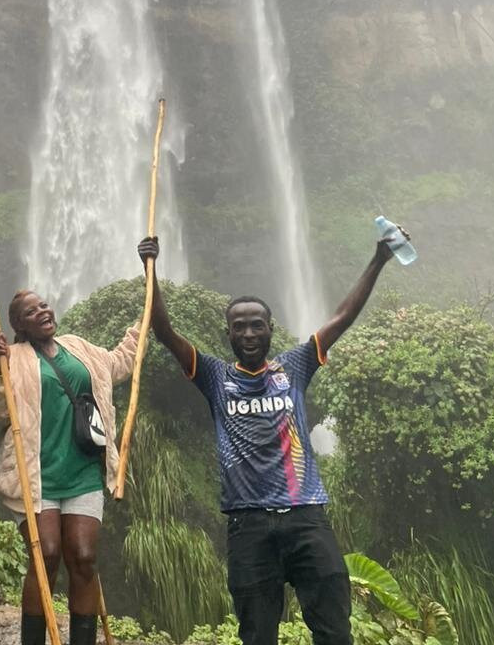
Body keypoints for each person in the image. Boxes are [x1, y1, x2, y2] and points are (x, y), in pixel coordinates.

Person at [137, 231, 408, 645]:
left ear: (270, 330)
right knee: (257, 635)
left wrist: (378, 259)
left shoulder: (294, 366)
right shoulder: (214, 376)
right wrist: (149, 271)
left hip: (306, 518)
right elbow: (163, 330)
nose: (248, 334)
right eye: (239, 327)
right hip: (248, 526)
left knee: (334, 630)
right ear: (227, 333)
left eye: (256, 326)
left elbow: (342, 318)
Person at [0, 290, 139, 645]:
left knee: (84, 558)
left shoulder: (78, 348)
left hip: (82, 471)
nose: (42, 312)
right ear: (19, 324)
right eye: (31, 311)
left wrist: (144, 323)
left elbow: (117, 363)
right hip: (36, 475)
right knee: (46, 555)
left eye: (43, 306)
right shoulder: (14, 357)